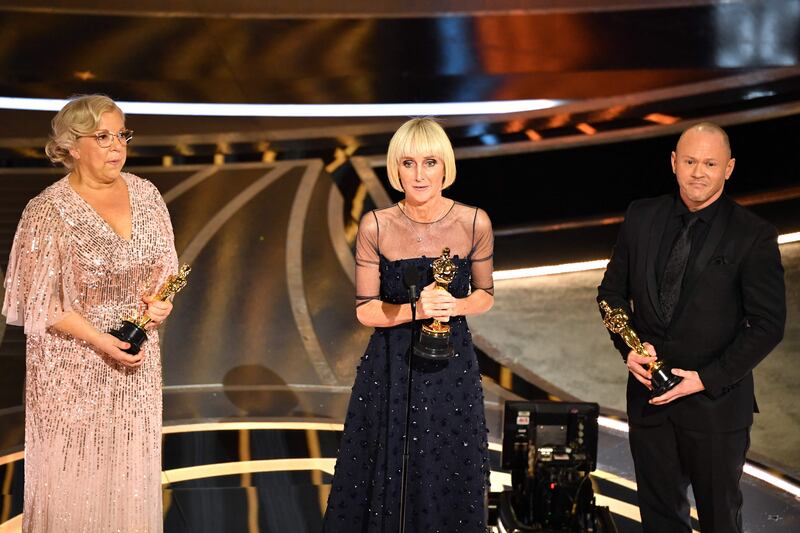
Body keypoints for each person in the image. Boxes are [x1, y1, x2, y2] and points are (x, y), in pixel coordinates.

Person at [597, 122, 786, 532]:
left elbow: (768, 325)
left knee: (720, 519)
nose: (698, 172)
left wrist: (704, 379)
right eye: (689, 161)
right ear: (673, 163)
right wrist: (627, 349)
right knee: (659, 517)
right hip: (650, 400)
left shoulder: (753, 236)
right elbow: (610, 294)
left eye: (710, 163)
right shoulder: (641, 216)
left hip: (716, 409)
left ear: (728, 168)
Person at [3, 94, 178, 532]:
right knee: (74, 477)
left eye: (122, 134)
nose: (117, 145)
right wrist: (102, 341)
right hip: (72, 369)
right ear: (71, 145)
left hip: (135, 365)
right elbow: (38, 302)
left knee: (130, 476)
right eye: (103, 136)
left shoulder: (146, 193)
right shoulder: (48, 211)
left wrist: (161, 304)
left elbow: (165, 272)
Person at [322, 118, 495, 532]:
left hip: (451, 369)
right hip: (390, 369)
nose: (419, 175)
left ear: (445, 167)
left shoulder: (475, 223)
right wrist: (418, 308)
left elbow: (486, 295)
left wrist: (453, 305)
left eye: (430, 162)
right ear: (395, 168)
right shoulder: (375, 225)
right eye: (409, 163)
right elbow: (365, 309)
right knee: (384, 475)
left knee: (447, 470)